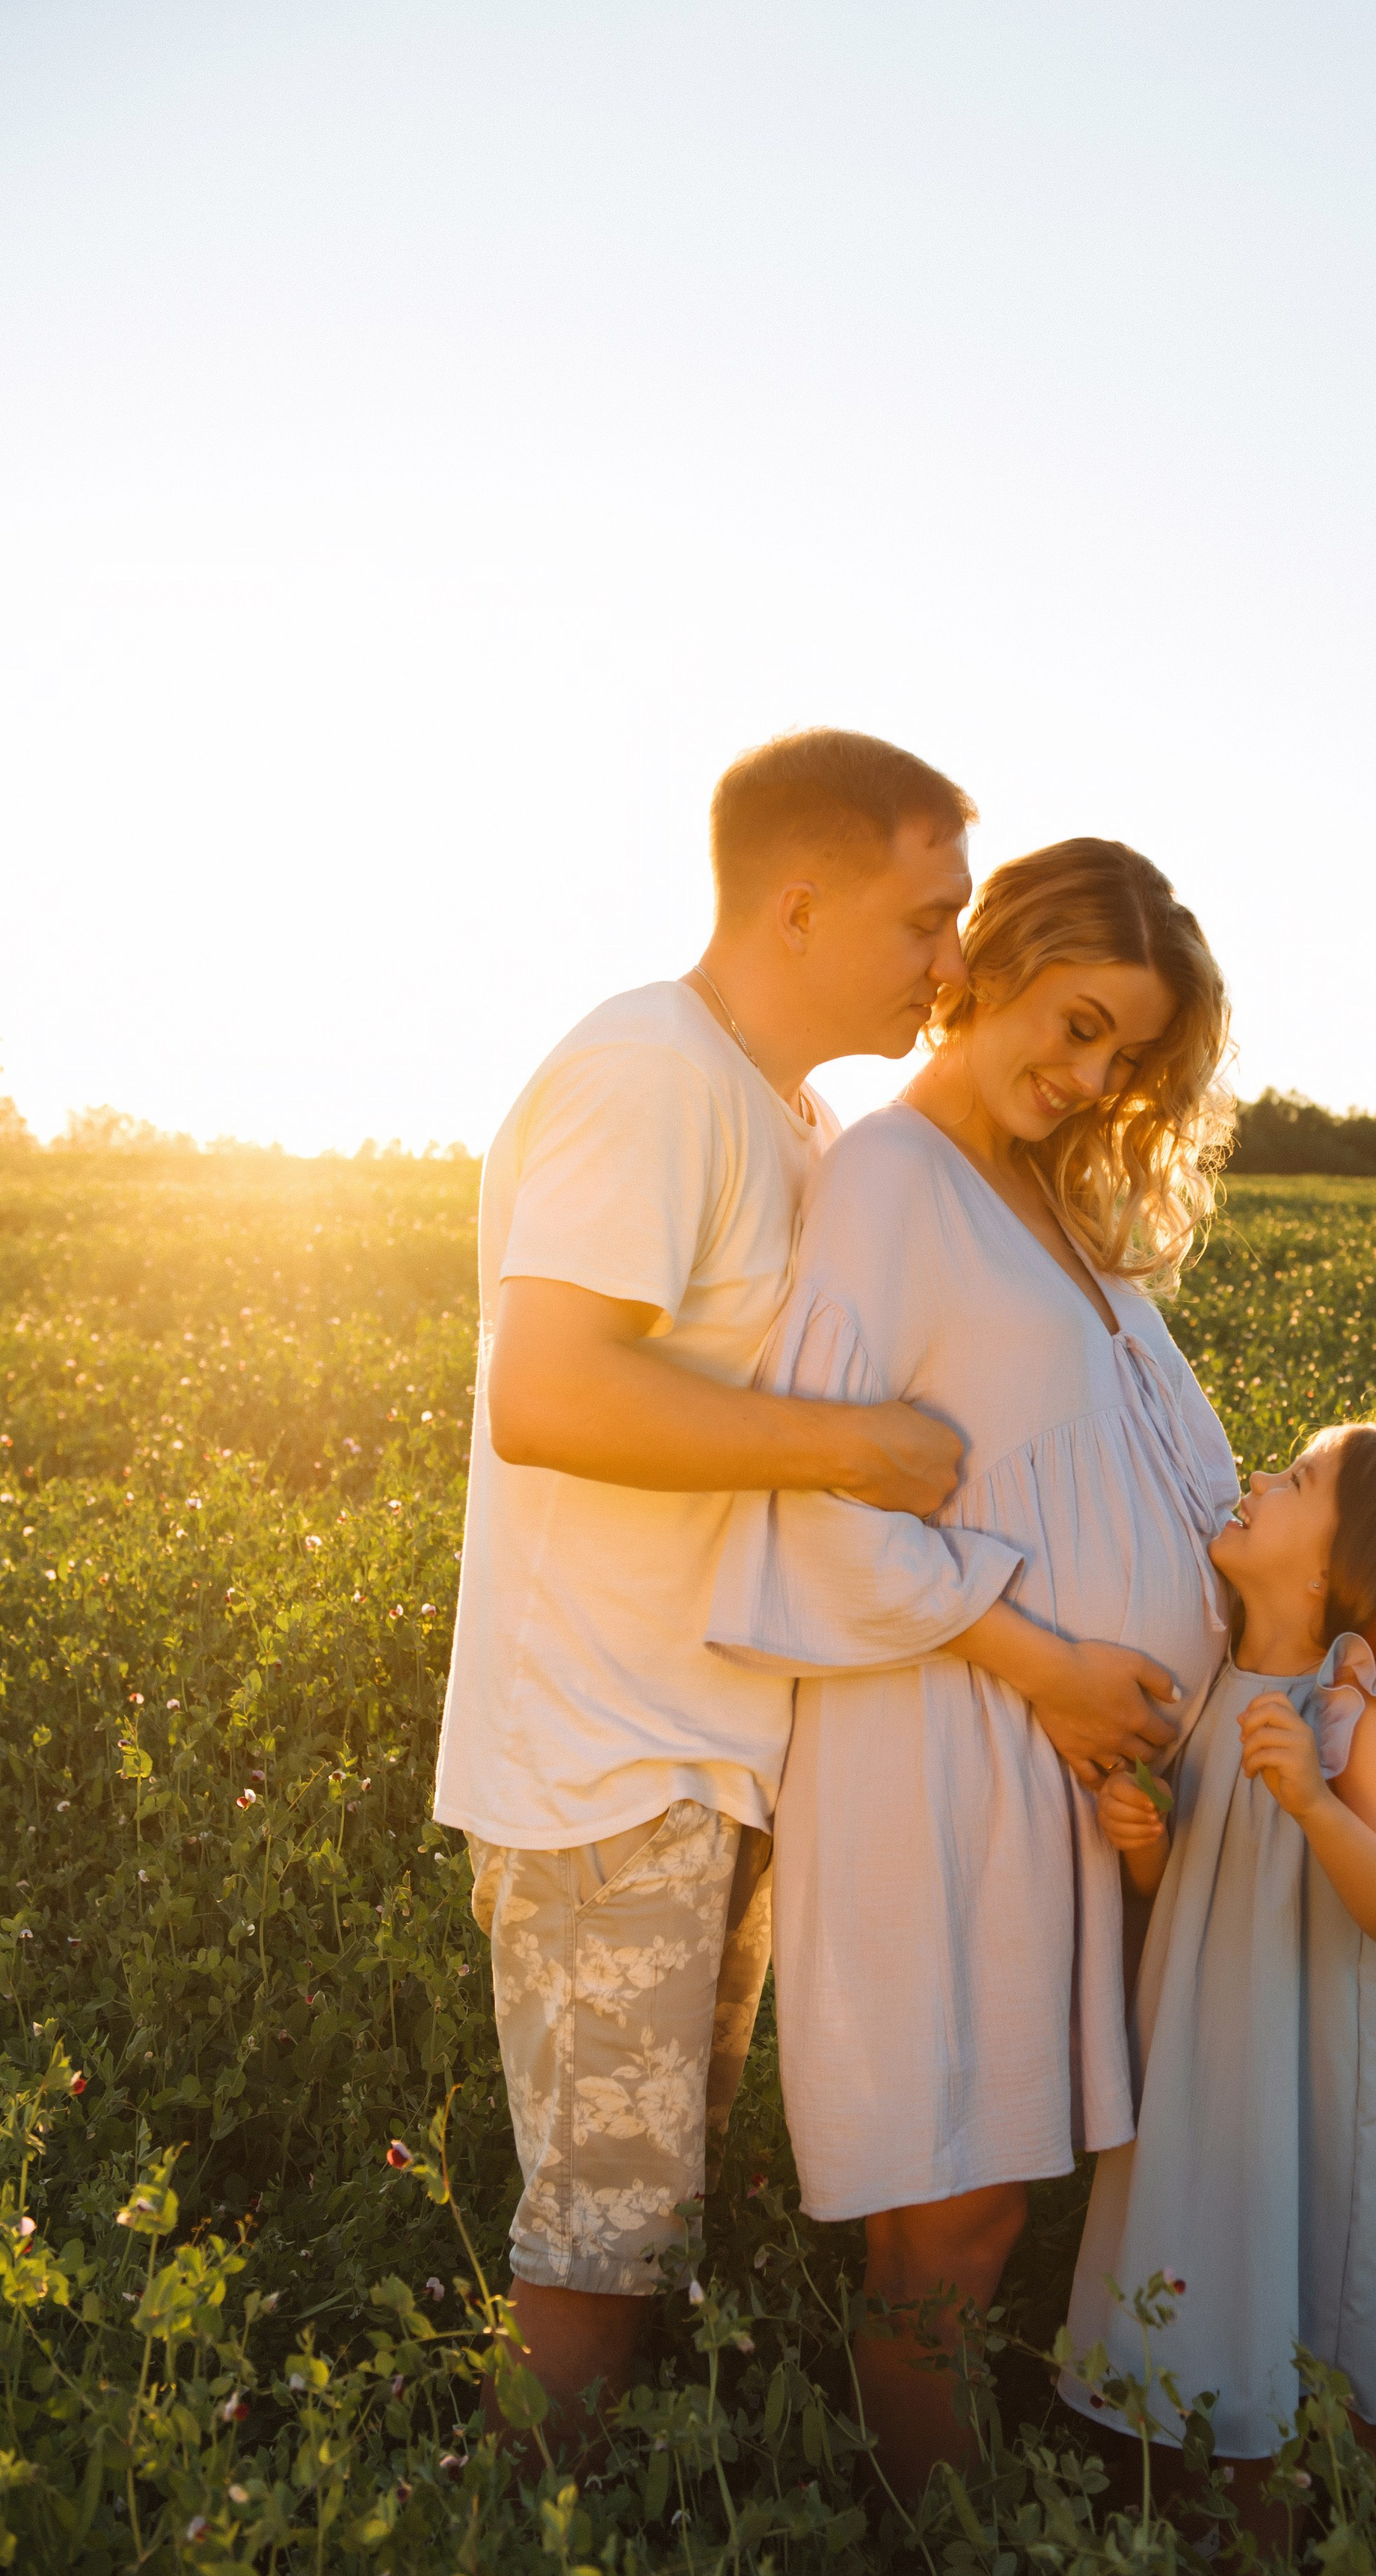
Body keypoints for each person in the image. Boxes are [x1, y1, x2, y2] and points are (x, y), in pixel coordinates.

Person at [431, 728, 986, 2454]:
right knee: (602, 2227)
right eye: (925, 920)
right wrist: (849, 1449)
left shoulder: (788, 1108)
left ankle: (614, 2570)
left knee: (653, 2199)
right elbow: (554, 1394)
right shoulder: (650, 1073)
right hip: (609, 1751)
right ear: (800, 904)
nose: (948, 965)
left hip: (703, 1740)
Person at [709, 837, 1240, 2494]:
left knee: (1005, 2197)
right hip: (941, 1744)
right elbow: (818, 1505)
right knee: (948, 2209)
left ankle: (964, 2554)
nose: (1087, 1076)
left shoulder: (1050, 1199)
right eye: (1074, 1024)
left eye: (1123, 1056)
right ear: (988, 962)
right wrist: (1051, 1665)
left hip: (1059, 1763)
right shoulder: (890, 1178)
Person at [1063, 1423, 1376, 2543]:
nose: (1256, 1479)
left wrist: (1314, 1802)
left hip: (1339, 2085)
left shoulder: (1355, 1720)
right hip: (1228, 2068)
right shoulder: (1209, 1688)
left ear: (1333, 1574)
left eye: (1296, 1480)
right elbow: (1185, 1880)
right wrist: (1140, 1830)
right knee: (1235, 2369)